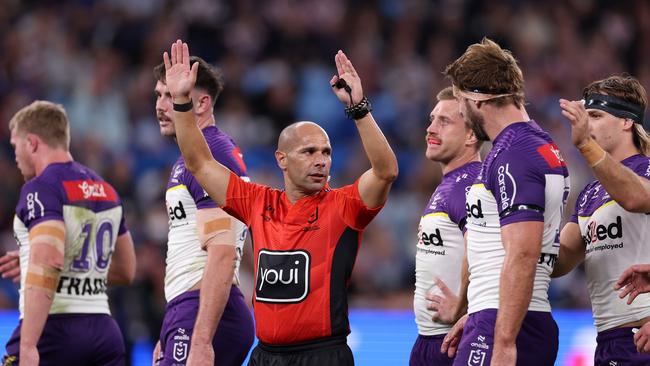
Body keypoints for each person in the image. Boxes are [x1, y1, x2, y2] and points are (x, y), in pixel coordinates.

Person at [163, 39, 398, 366]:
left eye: (326, 152)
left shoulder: (343, 207)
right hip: (266, 355)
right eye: (309, 152)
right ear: (282, 160)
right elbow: (199, 163)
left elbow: (386, 172)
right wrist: (181, 102)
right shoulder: (258, 203)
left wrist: (359, 110)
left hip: (323, 353)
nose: (321, 161)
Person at [441, 38, 569, 366]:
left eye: (459, 101)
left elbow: (523, 253)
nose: (460, 113)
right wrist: (479, 310)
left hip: (506, 326)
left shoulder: (514, 153)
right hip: (503, 315)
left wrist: (503, 340)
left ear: (477, 98)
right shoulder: (535, 144)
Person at [2, 100, 136, 366]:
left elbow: (49, 259)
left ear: (32, 142)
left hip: (54, 330)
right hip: (105, 333)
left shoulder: (40, 188)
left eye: (15, 145)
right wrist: (33, 259)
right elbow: (126, 270)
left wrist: (28, 344)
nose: (15, 156)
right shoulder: (107, 190)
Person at [151, 55, 254, 365]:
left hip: (204, 313)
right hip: (189, 310)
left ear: (203, 103)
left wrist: (200, 339)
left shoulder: (212, 155)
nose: (160, 105)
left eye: (171, 95)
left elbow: (222, 253)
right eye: (159, 94)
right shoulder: (192, 158)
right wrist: (169, 331)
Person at [555, 75, 650, 362]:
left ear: (626, 122)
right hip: (608, 339)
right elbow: (560, 261)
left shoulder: (646, 171)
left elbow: (634, 198)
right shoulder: (590, 192)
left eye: (596, 116)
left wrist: (585, 143)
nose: (588, 124)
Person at [410, 86, 483, 366]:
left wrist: (465, 305)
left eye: (444, 121)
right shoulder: (451, 184)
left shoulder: (470, 185)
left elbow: (489, 254)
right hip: (430, 338)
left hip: (453, 342)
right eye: (432, 119)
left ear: (471, 135)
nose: (431, 128)